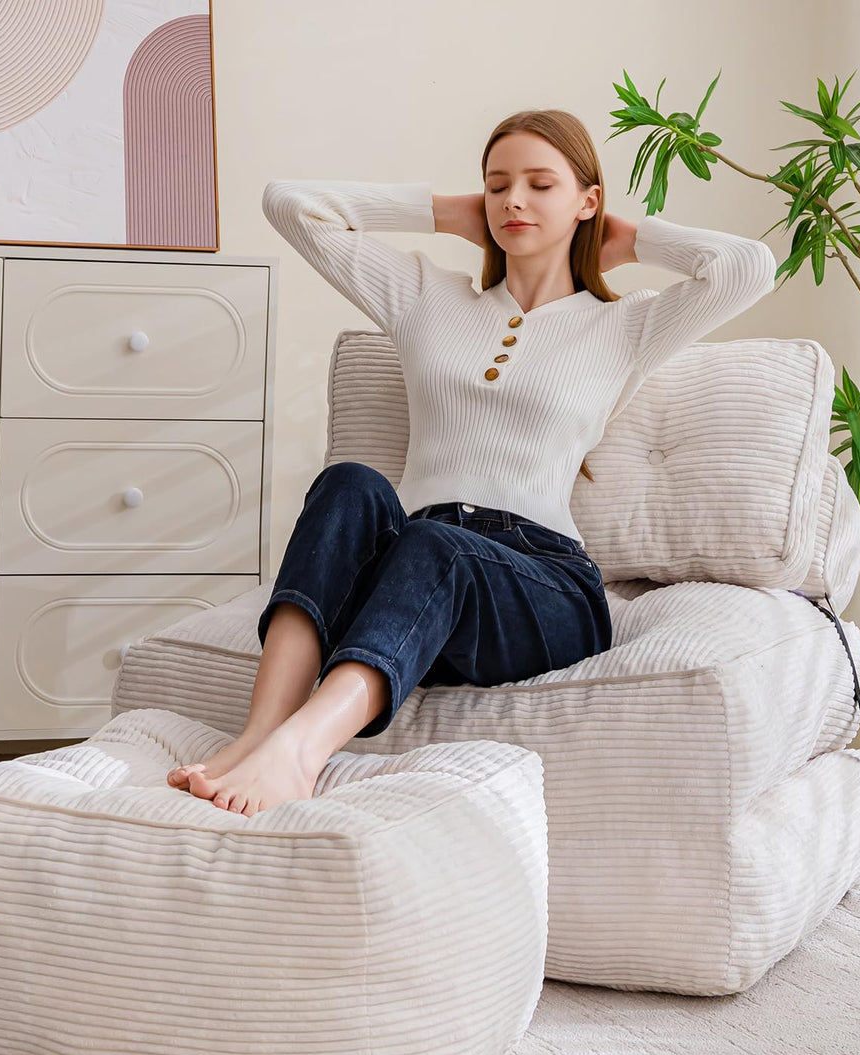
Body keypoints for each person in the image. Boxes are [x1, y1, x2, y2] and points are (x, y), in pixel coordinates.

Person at [166, 108, 777, 817]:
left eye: (540, 185)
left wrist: (625, 239)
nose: (514, 200)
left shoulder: (625, 325)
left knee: (438, 544)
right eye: (497, 185)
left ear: (587, 201)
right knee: (349, 485)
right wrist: (446, 214)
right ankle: (258, 736)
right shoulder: (427, 298)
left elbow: (748, 268)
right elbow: (291, 205)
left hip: (543, 586)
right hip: (412, 572)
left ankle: (300, 754)